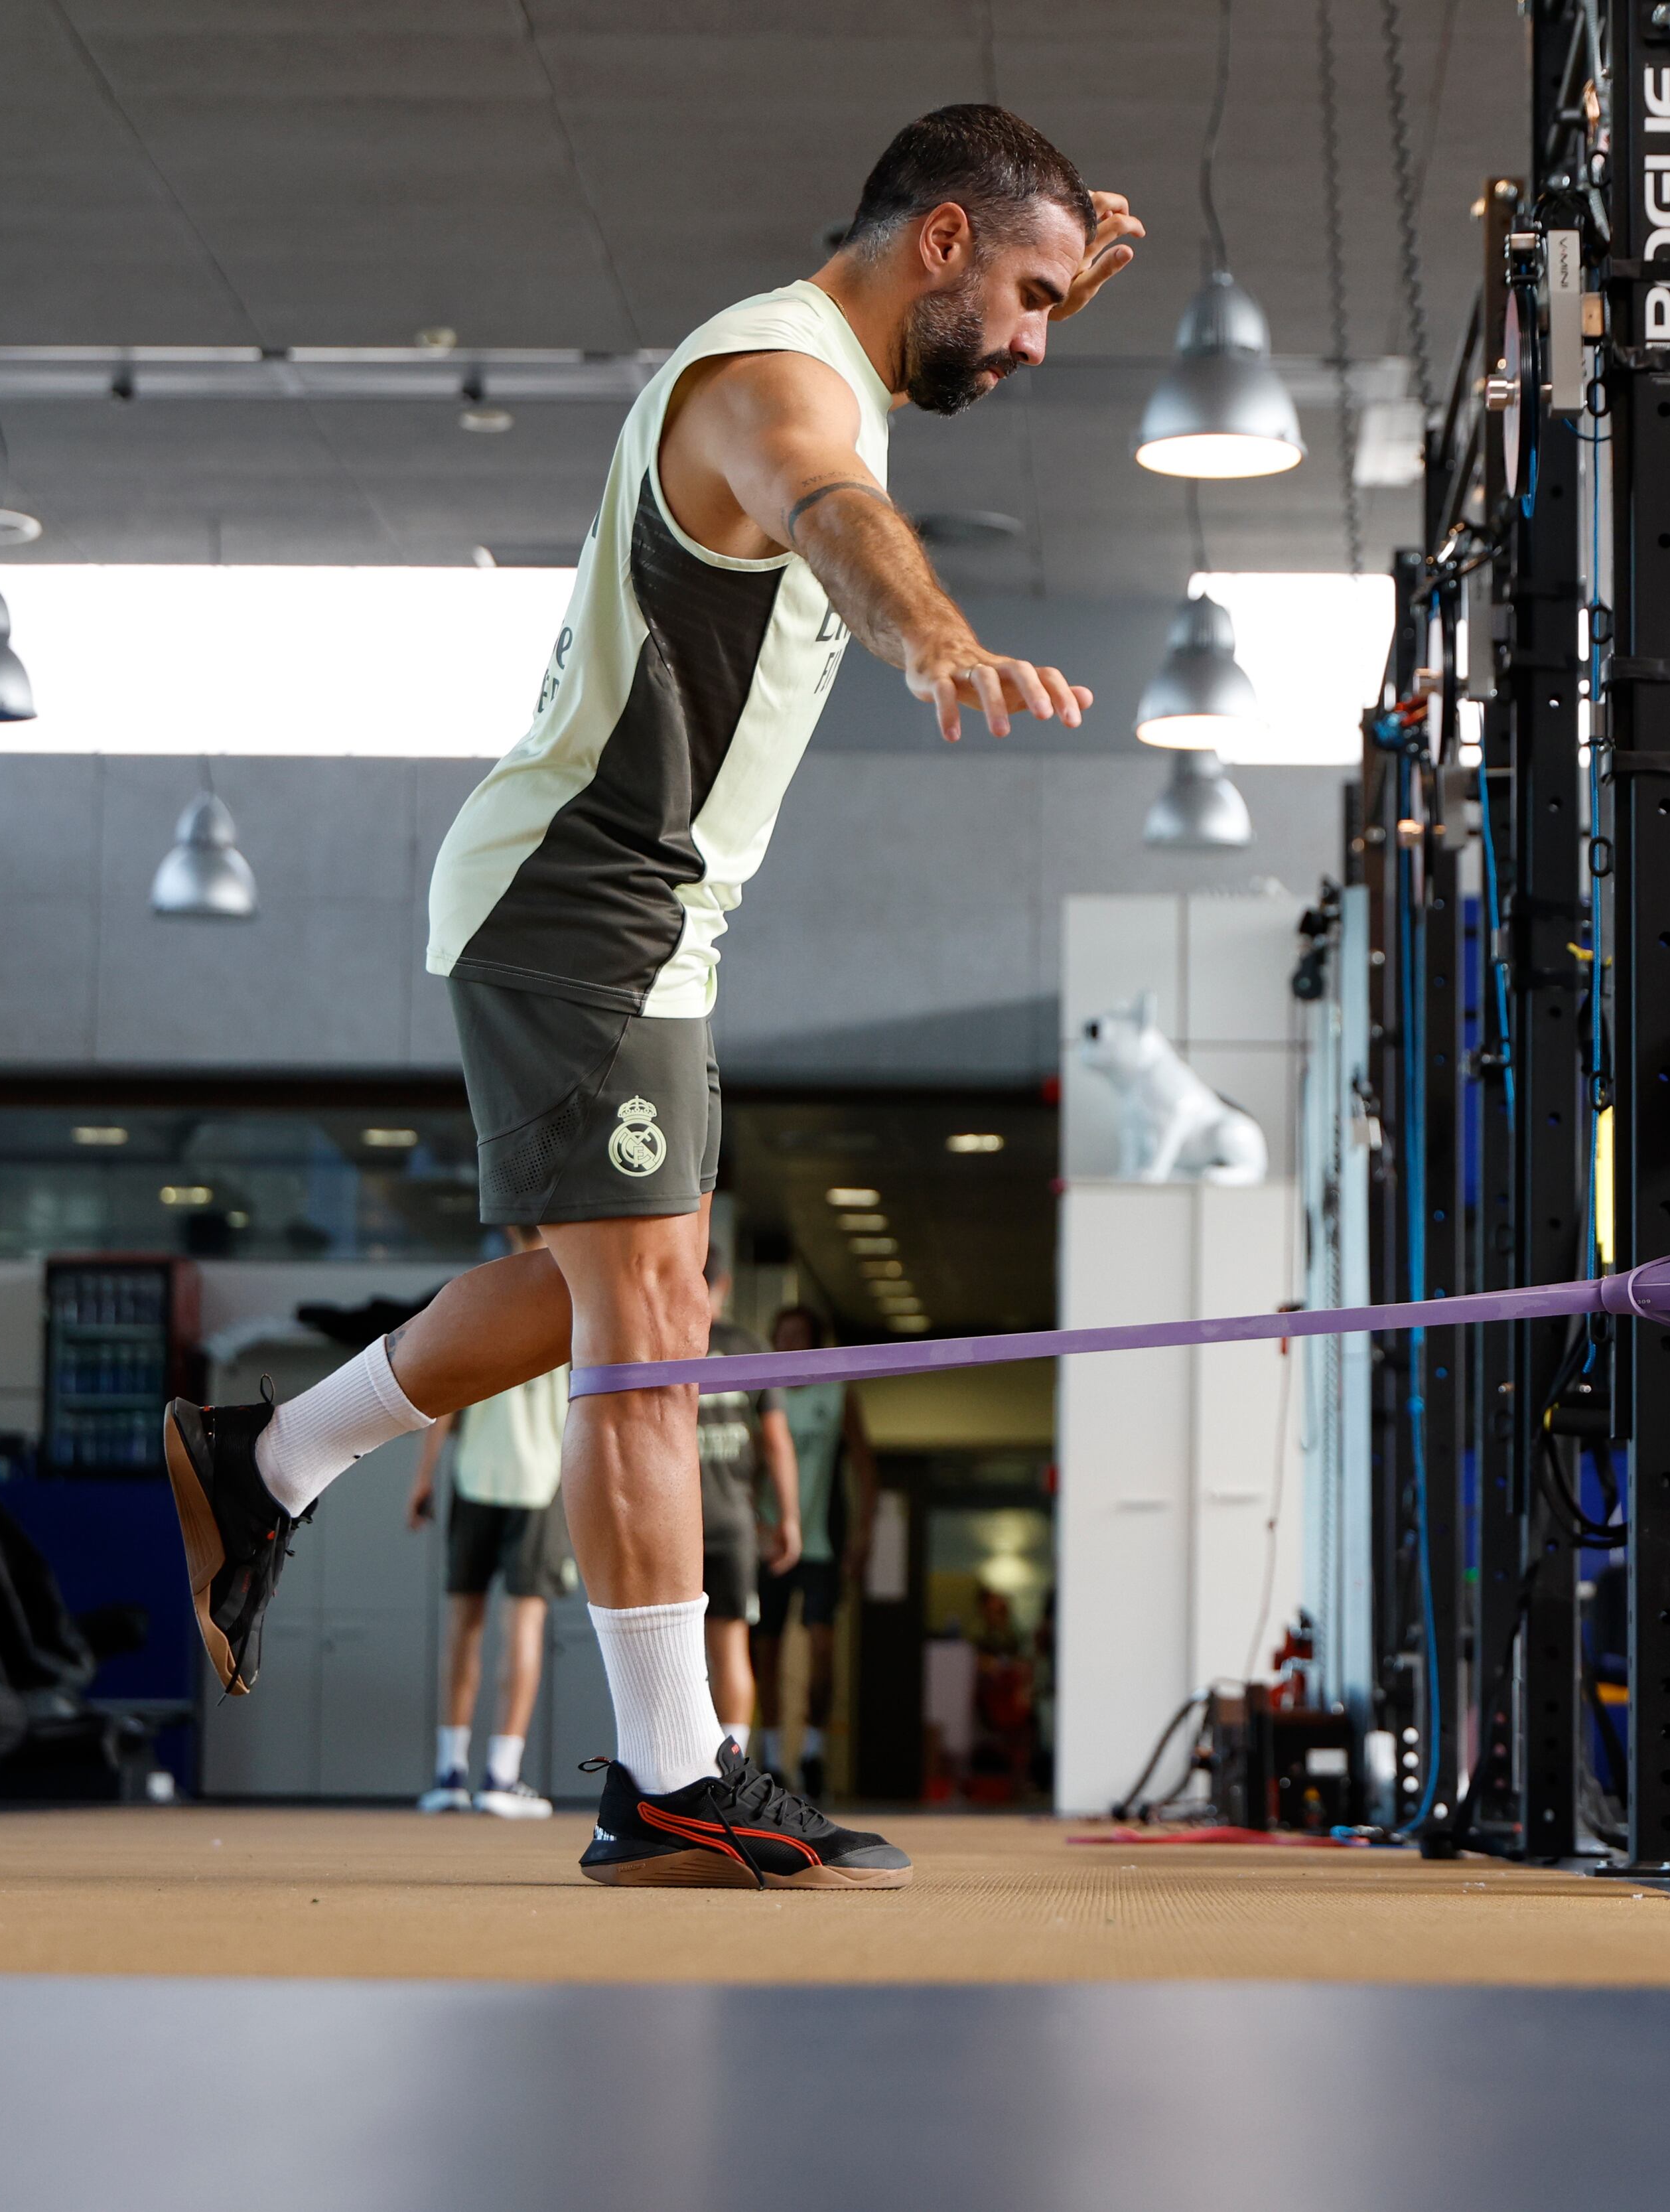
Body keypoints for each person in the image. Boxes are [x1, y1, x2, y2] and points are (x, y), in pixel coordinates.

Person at [159, 105, 1137, 1891]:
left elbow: (883, 431)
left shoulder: (835, 365)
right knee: (651, 1318)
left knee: (593, 1287)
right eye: (1022, 294)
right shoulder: (773, 388)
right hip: (581, 898)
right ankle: (674, 1776)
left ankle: (271, 1453)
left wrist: (1046, 270)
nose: (1032, 339)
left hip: (644, 914)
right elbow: (832, 516)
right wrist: (933, 635)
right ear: (934, 239)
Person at [403, 1235, 574, 1818]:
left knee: (463, 1625)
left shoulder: (485, 1295)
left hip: (476, 1476)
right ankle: (502, 1776)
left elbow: (447, 1394)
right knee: (522, 1625)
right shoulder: (572, 1293)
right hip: (540, 1481)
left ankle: (450, 1772)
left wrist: (423, 1479)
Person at [752, 1304, 874, 1795]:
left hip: (822, 1541)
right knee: (767, 1651)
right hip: (771, 1544)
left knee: (823, 1651)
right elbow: (747, 1464)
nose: (790, 1345)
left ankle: (813, 1751)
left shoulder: (836, 1393)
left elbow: (866, 1465)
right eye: (783, 1337)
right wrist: (757, 1525)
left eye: (800, 1337)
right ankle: (774, 1759)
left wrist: (865, 1532)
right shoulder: (762, 1392)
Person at [695, 1252, 801, 1756]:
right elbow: (778, 1443)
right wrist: (790, 1519)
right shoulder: (749, 1348)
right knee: (731, 1646)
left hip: (676, 1523)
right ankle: (732, 1768)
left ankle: (680, 1769)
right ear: (726, 1283)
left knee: (674, 1654)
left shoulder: (664, 1344)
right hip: (733, 1520)